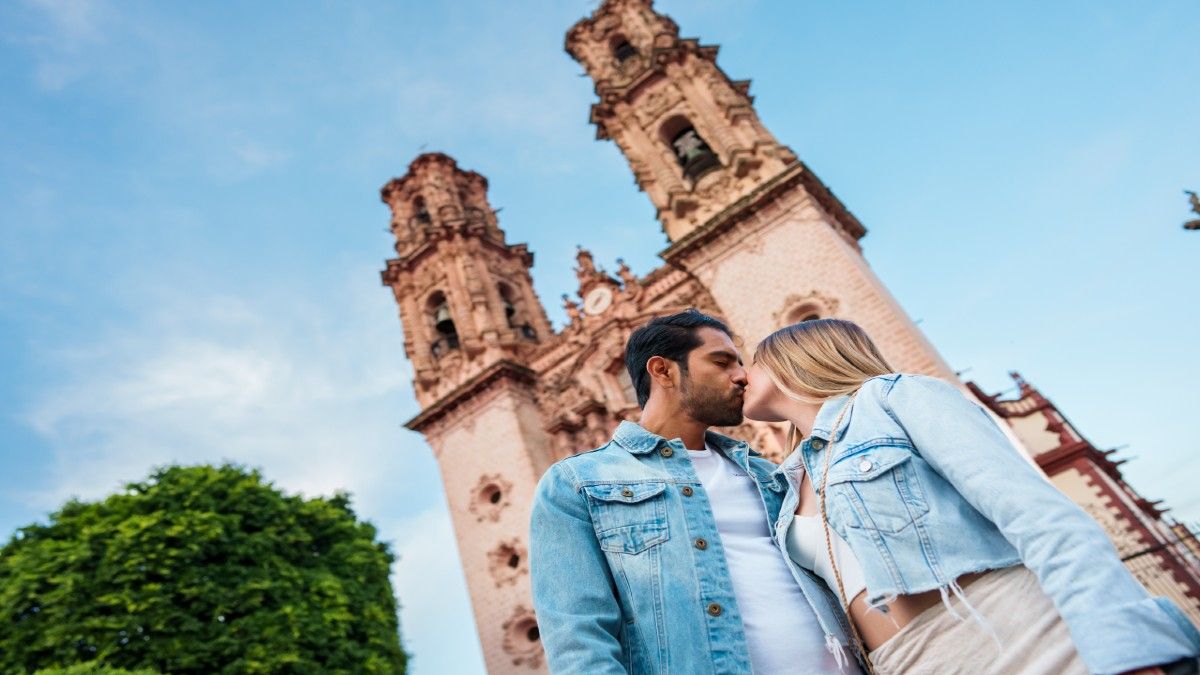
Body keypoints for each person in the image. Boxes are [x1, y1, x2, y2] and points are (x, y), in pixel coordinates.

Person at [741, 317, 1200, 675]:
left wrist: (1125, 647)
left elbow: (1038, 517)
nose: (740, 373)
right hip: (905, 662)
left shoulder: (896, 400)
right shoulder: (783, 483)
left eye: (751, 360)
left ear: (796, 358)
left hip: (1019, 638)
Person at [530, 310, 861, 674]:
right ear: (663, 371)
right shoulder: (577, 484)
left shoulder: (772, 474)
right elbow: (579, 641)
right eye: (721, 362)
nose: (742, 376)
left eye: (740, 362)